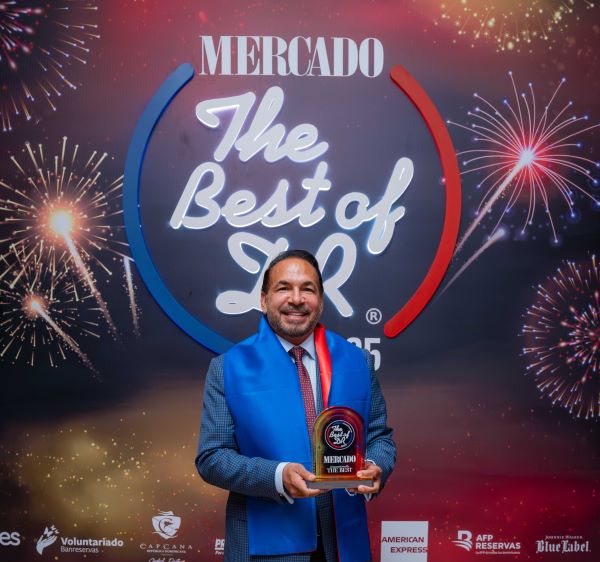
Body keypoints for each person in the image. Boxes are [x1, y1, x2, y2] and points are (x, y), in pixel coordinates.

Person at [196, 249, 396, 562]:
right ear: (264, 300)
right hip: (264, 549)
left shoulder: (357, 361)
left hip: (342, 545)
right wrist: (278, 476)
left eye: (308, 289)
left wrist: (375, 465)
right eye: (283, 288)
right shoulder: (228, 368)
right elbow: (212, 458)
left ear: (321, 301)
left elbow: (379, 436)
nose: (296, 299)